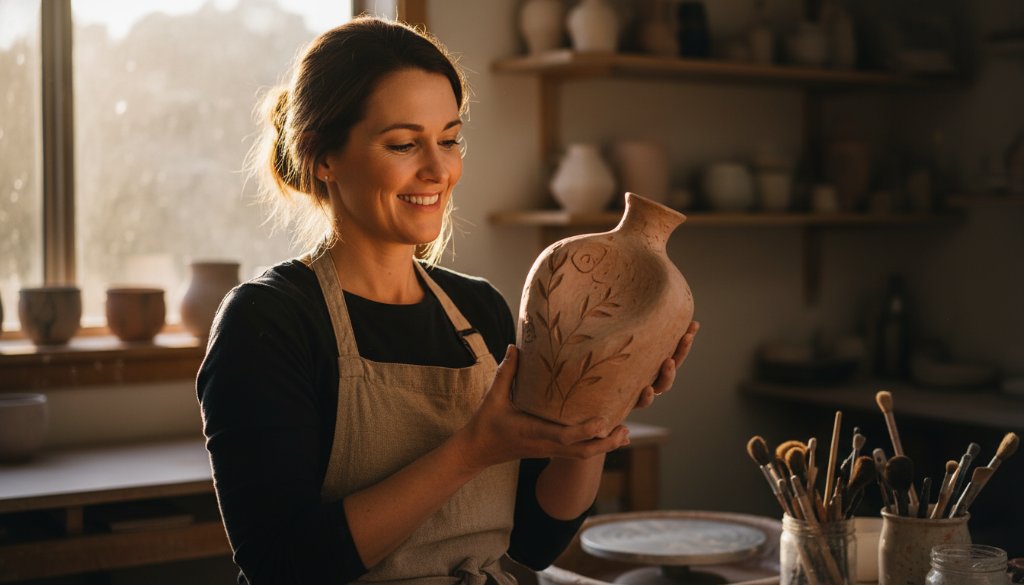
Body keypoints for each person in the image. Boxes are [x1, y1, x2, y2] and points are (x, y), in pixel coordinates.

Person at [197, 16, 699, 584]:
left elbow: (536, 540)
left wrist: (595, 415)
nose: (438, 170)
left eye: (449, 139)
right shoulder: (268, 320)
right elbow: (282, 565)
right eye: (404, 144)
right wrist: (472, 451)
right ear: (321, 156)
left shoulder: (479, 310)